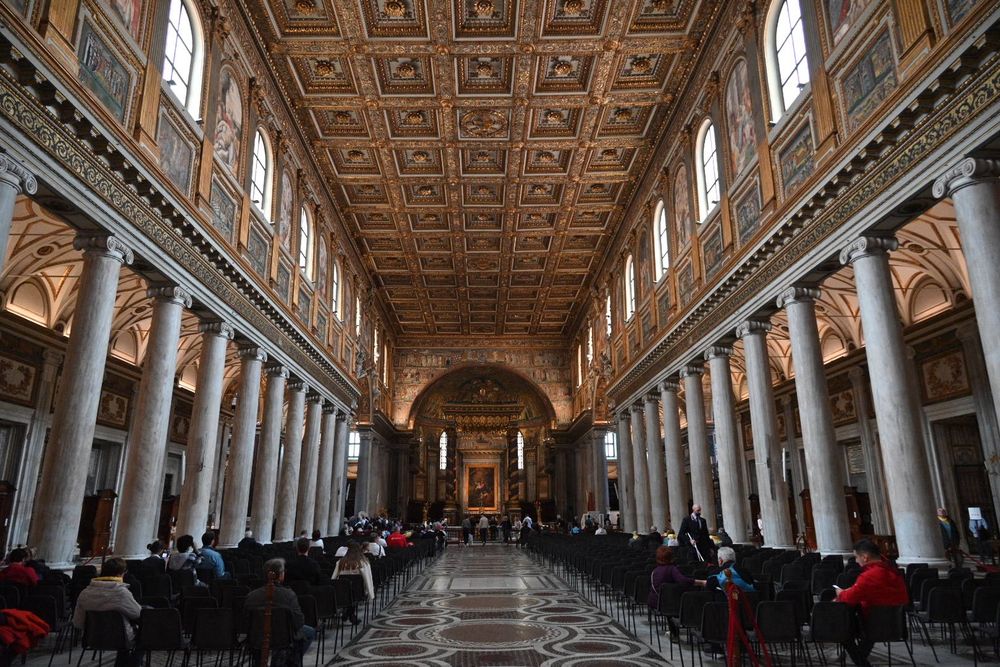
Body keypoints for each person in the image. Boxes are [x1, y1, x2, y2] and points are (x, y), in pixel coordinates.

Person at [836, 539, 908, 667]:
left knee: (842, 630)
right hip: (898, 622)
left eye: (856, 557)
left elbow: (847, 598)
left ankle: (862, 663)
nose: (856, 561)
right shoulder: (893, 571)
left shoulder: (871, 575)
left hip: (875, 625)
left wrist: (840, 593)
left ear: (865, 557)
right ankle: (862, 661)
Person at [72, 557, 141, 667]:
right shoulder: (121, 593)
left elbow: (78, 622)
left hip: (92, 638)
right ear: (121, 574)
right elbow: (138, 614)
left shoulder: (85, 592)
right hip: (121, 639)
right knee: (143, 637)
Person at [245, 558, 315, 658]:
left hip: (257, 637)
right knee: (310, 632)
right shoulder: (289, 595)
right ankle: (292, 661)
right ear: (281, 575)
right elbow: (299, 622)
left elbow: (245, 621)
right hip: (283, 637)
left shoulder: (251, 596)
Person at [647, 547, 705, 631]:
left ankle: (673, 631)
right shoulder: (671, 569)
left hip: (655, 601)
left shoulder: (655, 571)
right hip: (668, 603)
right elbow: (683, 580)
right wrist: (701, 582)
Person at [332, 543, 374, 625]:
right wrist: (369, 592)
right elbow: (367, 577)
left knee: (349, 594)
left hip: (343, 591)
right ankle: (350, 615)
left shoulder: (341, 562)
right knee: (353, 595)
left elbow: (334, 577)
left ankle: (349, 614)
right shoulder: (362, 562)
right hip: (357, 591)